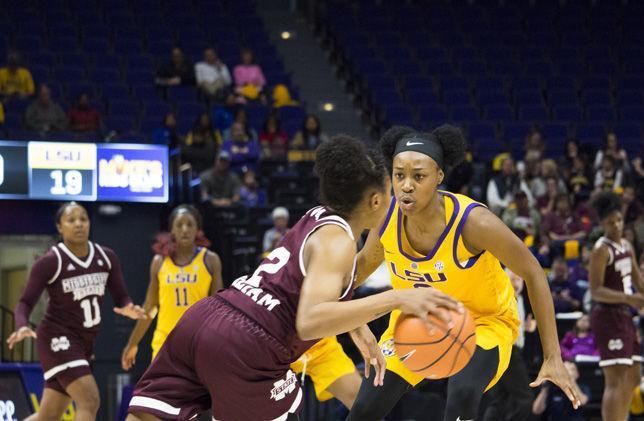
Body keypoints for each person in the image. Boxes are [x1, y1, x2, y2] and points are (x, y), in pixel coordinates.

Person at [125, 135, 461, 420]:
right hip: (249, 344)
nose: (392, 199)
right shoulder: (338, 241)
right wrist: (398, 297)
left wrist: (354, 324)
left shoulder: (318, 218)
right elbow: (310, 320)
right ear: (375, 200)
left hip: (206, 318)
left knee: (147, 414)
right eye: (388, 191)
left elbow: (312, 286)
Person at [347, 125, 579, 421]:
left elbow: (533, 272)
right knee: (365, 408)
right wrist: (347, 317)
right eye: (398, 175)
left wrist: (552, 356)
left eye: (418, 176)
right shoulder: (386, 220)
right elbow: (356, 272)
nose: (406, 185)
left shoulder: (474, 223)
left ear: (439, 177)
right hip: (414, 323)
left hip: (483, 322)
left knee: (463, 392)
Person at [6, 202, 146, 421]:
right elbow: (24, 303)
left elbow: (121, 296)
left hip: (83, 343)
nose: (79, 224)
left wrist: (129, 308)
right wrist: (22, 325)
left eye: (83, 219)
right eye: (71, 220)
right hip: (57, 338)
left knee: (48, 416)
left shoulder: (106, 257)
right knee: (89, 400)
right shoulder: (50, 261)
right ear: (60, 227)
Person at [588, 191, 644, 421]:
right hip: (606, 316)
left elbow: (640, 282)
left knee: (634, 375)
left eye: (618, 220)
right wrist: (629, 299)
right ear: (602, 223)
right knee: (615, 379)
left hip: (623, 316)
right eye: (609, 222)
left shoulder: (626, 245)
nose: (615, 225)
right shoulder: (601, 249)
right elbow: (595, 290)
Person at [120, 205, 223, 370]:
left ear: (197, 229)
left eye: (190, 224)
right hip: (165, 341)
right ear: (171, 230)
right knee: (161, 394)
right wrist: (132, 344)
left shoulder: (210, 260)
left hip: (197, 341)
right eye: (179, 225)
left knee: (196, 395)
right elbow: (150, 307)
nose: (185, 229)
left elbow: (218, 309)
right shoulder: (159, 262)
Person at [481, 269, 535, 421]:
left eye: (519, 279)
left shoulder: (521, 300)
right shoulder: (502, 299)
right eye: (513, 278)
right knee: (525, 399)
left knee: (499, 400)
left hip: (500, 353)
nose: (516, 283)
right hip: (507, 351)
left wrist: (526, 327)